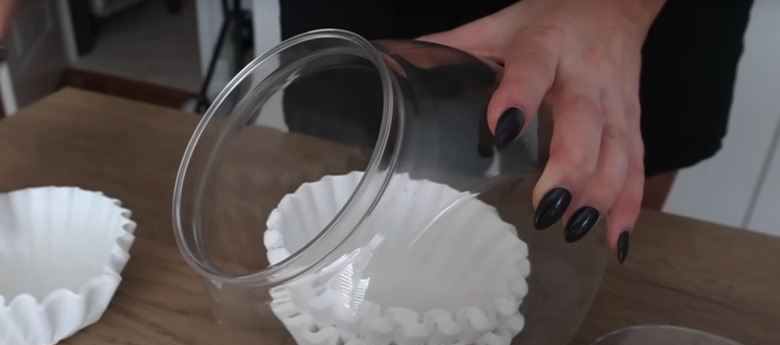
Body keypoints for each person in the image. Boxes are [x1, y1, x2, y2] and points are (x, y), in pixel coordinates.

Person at [279, 0, 754, 263]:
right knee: (347, 200)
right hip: (375, 16)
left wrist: (621, 11)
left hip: (624, 29)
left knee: (584, 228)